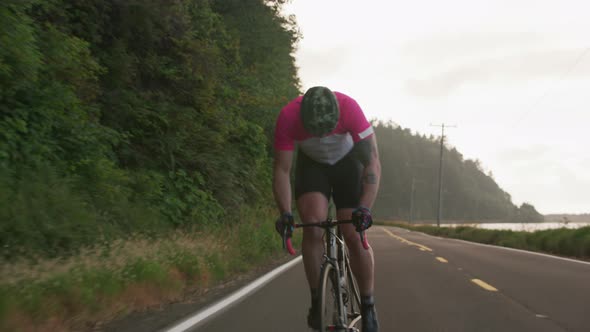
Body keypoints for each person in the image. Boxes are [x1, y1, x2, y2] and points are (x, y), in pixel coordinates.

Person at [273, 86, 381, 331]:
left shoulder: (350, 109)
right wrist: (286, 213)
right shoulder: (289, 116)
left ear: (337, 116)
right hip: (313, 166)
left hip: (348, 162)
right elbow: (282, 170)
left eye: (326, 131)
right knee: (312, 227)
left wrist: (364, 208)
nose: (321, 137)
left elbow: (372, 163)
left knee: (354, 233)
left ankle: (368, 304)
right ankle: (316, 300)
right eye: (315, 132)